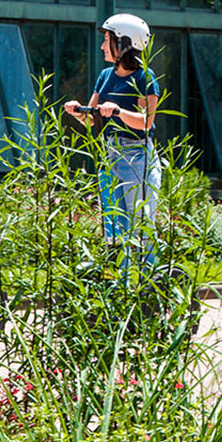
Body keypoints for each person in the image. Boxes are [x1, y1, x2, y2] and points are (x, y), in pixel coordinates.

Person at [64, 13, 161, 263]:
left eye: (107, 40)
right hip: (110, 156)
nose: (102, 46)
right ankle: (119, 283)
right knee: (114, 229)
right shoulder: (106, 76)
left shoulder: (145, 78)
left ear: (125, 42)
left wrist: (117, 111)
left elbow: (146, 121)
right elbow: (93, 118)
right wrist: (78, 111)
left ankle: (148, 286)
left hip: (137, 157)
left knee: (140, 228)